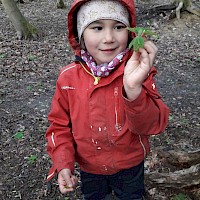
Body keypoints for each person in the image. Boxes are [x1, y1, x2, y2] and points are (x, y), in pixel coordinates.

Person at [45, 0, 170, 199]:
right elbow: (59, 126)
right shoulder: (67, 78)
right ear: (80, 34)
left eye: (119, 27)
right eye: (97, 27)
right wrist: (63, 163)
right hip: (90, 167)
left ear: (130, 33)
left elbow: (153, 126)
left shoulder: (138, 71)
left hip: (130, 166)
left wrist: (133, 89)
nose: (109, 38)